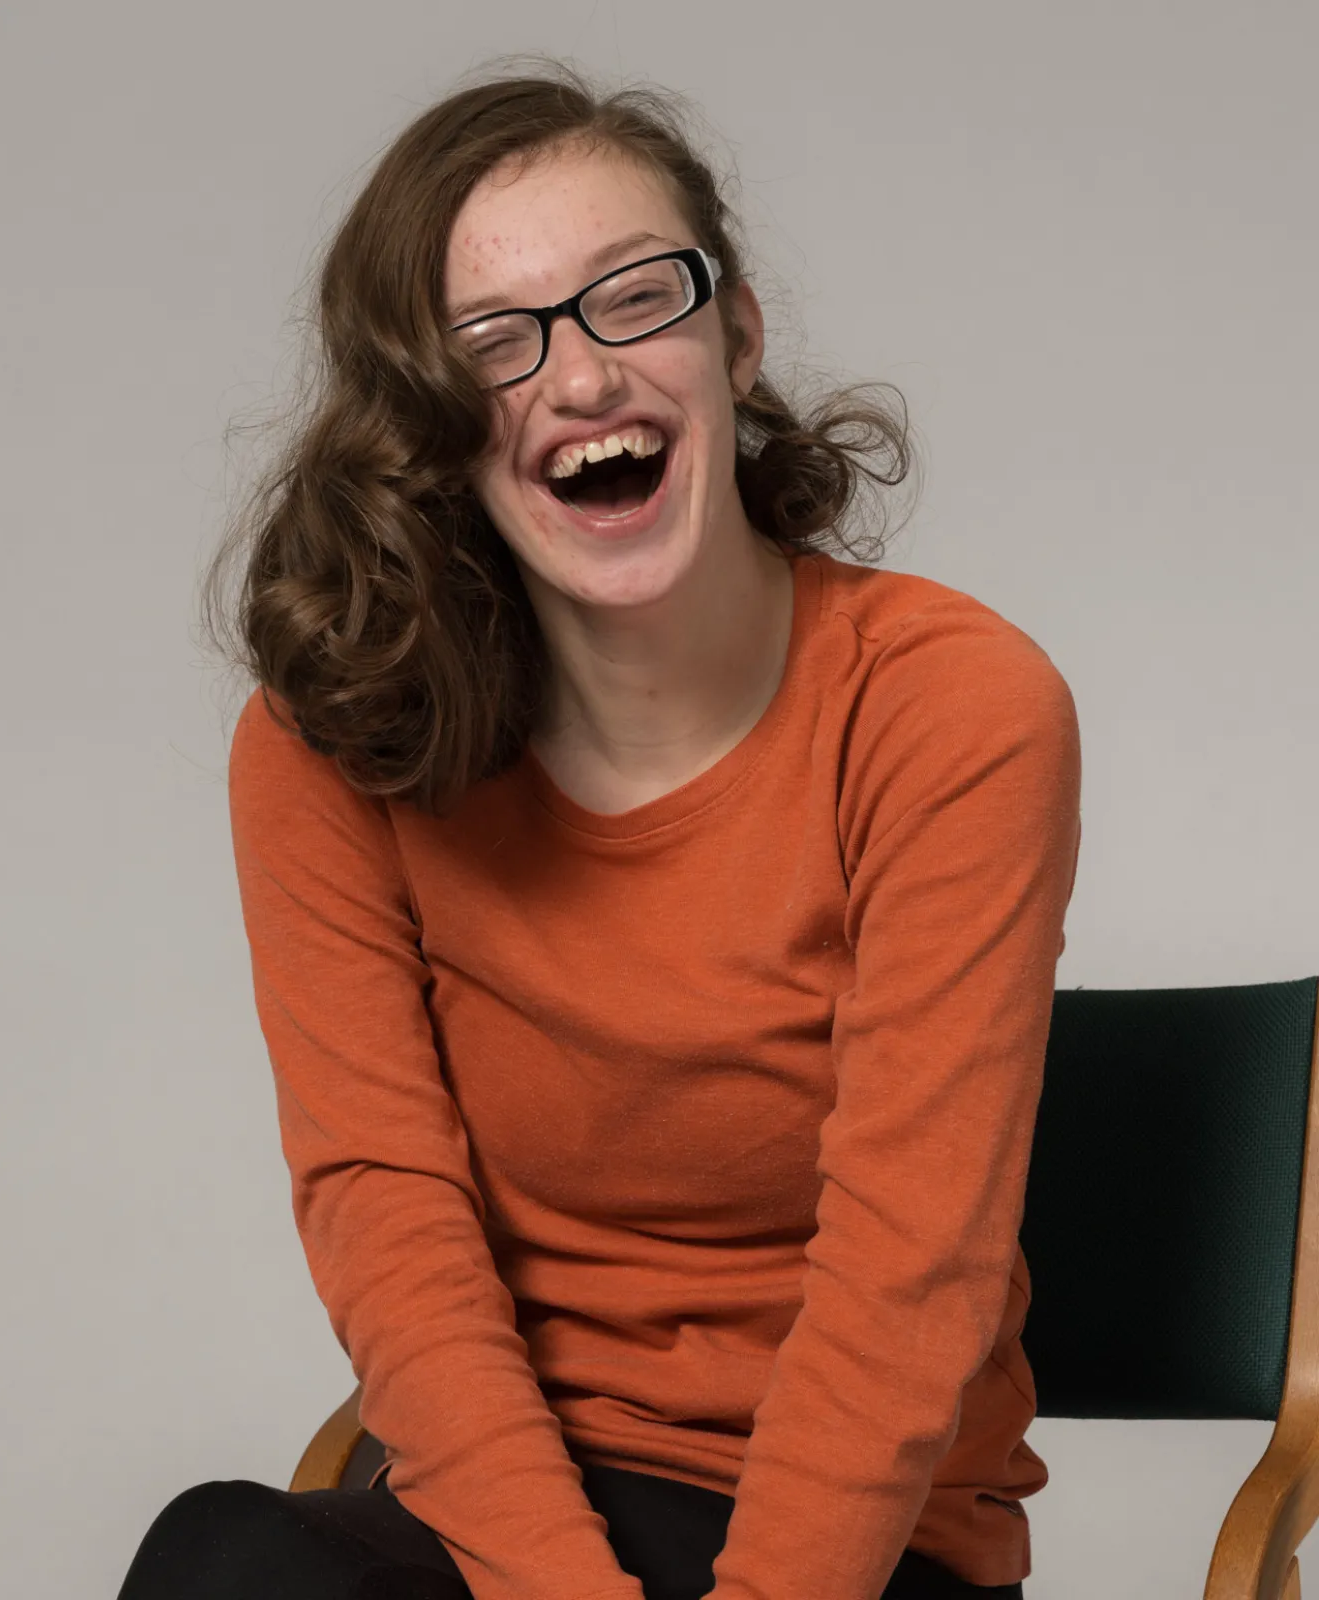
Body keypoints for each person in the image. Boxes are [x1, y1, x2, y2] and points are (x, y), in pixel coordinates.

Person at [117, 55, 1082, 1600]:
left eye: (636, 297)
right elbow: (391, 1224)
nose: (579, 381)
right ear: (429, 424)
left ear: (737, 336)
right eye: (493, 343)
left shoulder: (950, 711)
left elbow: (911, 1281)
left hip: (854, 1546)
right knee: (225, 1562)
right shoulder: (329, 745)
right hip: (503, 1521)